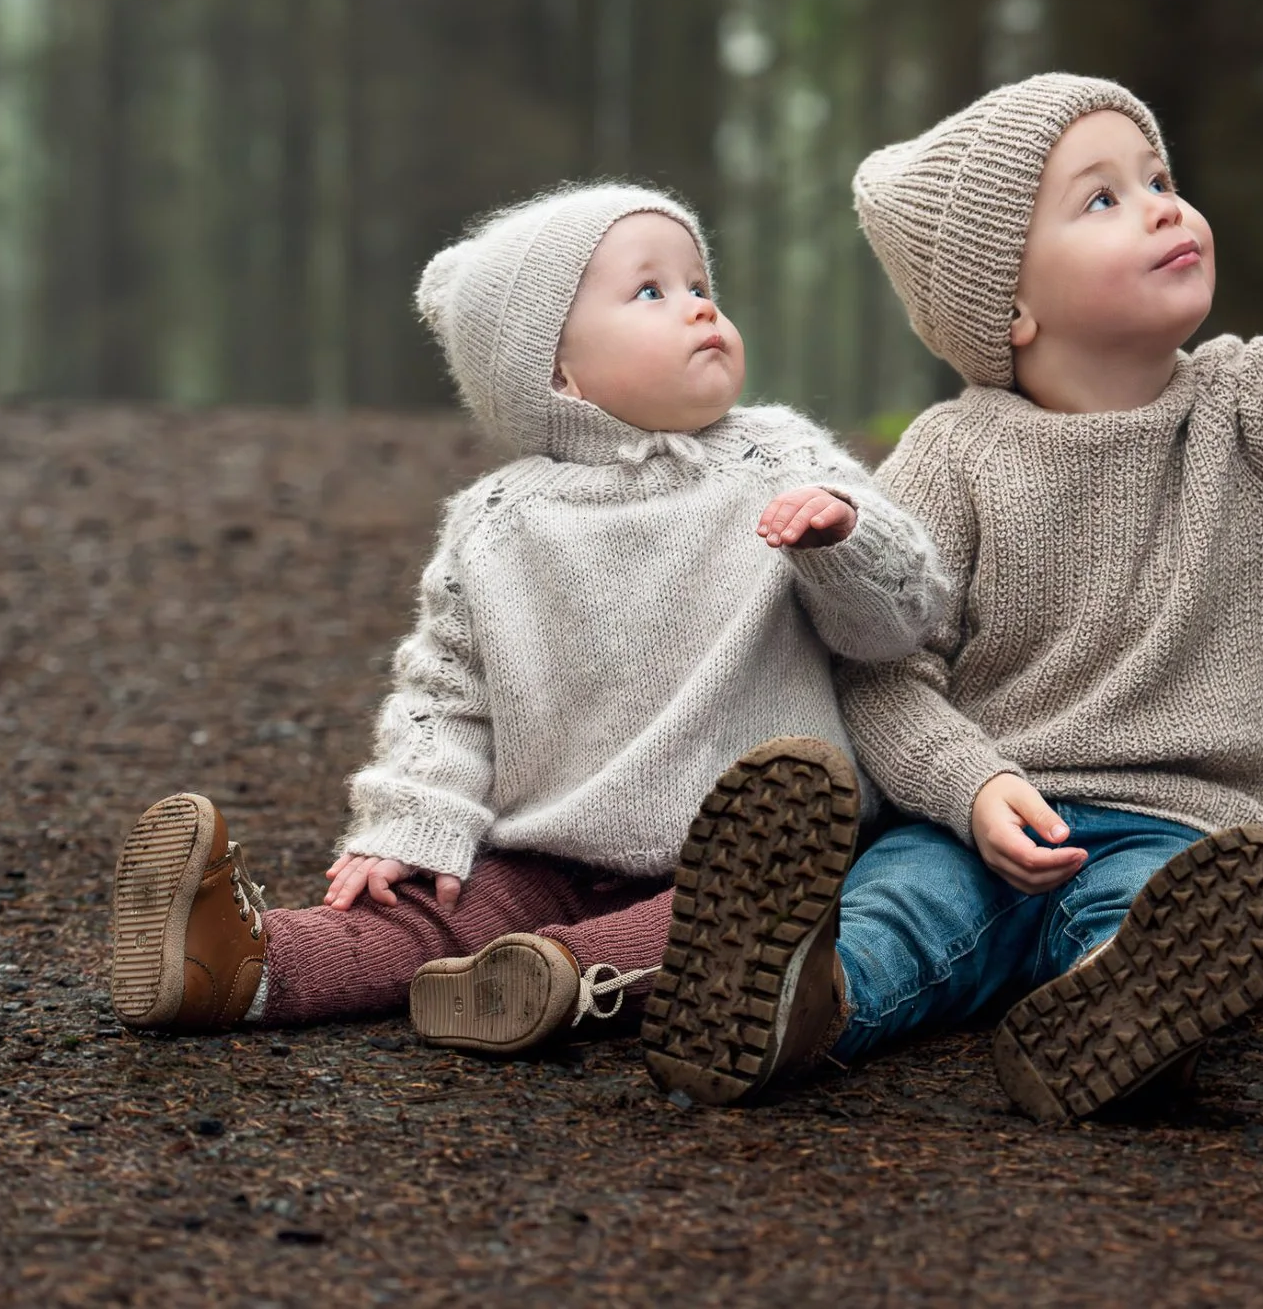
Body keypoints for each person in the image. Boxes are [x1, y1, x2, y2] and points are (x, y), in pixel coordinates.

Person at [644, 66, 1263, 1119]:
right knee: (897, 913)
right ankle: (792, 1003)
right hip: (978, 821)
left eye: (1158, 176)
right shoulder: (950, 456)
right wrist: (968, 786)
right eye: (1101, 198)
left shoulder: (1254, 416)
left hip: (1181, 825)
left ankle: (1113, 1017)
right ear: (1007, 303)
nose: (1161, 203)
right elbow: (882, 672)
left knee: (1153, 918)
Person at [106, 183, 948, 1056]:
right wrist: (409, 825)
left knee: (732, 929)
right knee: (422, 911)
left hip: (751, 857)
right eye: (651, 292)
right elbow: (445, 694)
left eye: (702, 285)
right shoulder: (498, 524)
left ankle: (546, 978)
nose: (699, 306)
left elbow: (899, 625)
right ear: (556, 370)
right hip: (551, 856)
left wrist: (844, 536)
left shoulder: (782, 458)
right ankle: (243, 965)